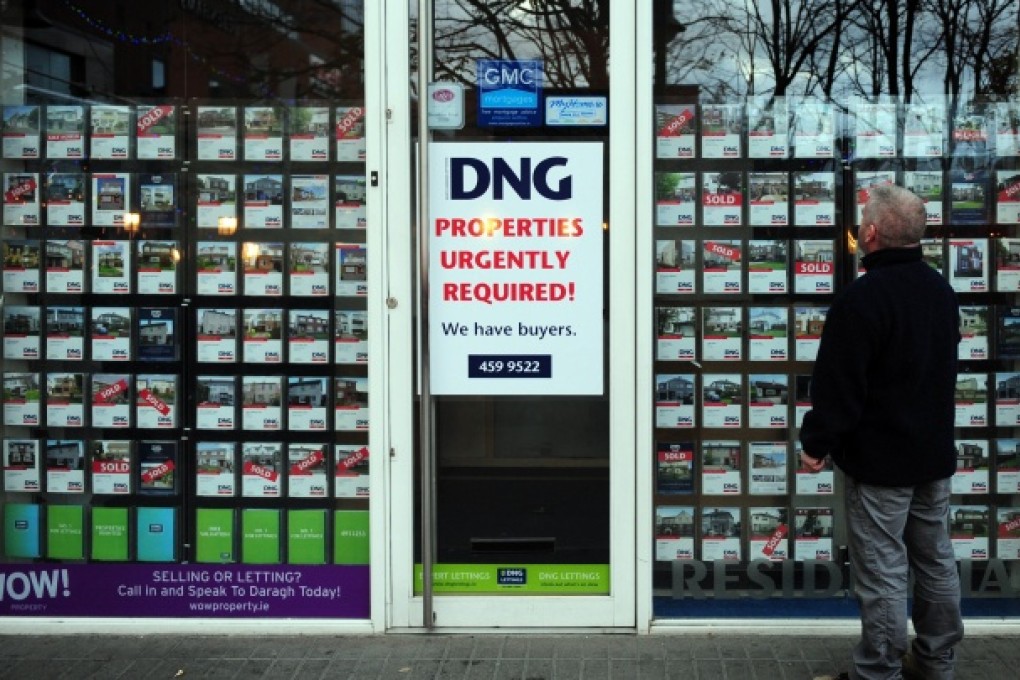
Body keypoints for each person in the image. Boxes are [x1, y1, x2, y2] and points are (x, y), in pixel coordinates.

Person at [800, 184, 964, 680]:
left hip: (880, 464)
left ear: (869, 233)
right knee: (936, 560)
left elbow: (838, 387)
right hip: (931, 456)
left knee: (882, 571)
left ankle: (879, 672)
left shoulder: (862, 299)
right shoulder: (942, 291)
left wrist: (815, 443)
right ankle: (937, 663)